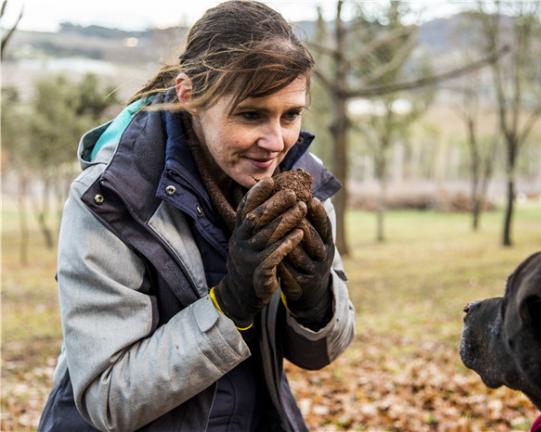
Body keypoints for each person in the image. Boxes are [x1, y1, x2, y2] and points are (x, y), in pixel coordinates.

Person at [38, 2, 355, 431]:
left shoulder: (302, 183)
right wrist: (229, 306)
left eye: (291, 115)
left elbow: (320, 353)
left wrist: (316, 304)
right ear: (190, 96)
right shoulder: (111, 198)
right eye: (250, 114)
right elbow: (108, 398)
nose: (276, 141)